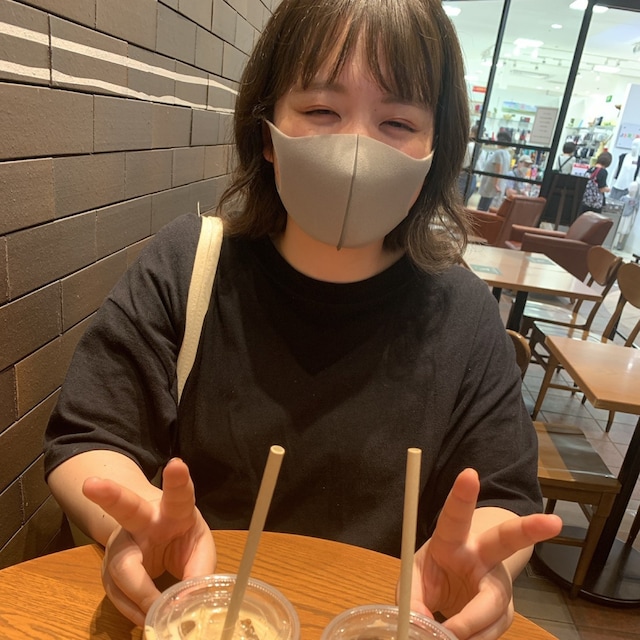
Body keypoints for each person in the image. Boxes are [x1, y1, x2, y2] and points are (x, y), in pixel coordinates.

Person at [43, 1, 562, 638]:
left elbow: (502, 496)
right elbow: (90, 434)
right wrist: (137, 517)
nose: (356, 150)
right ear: (267, 133)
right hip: (203, 617)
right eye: (321, 111)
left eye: (398, 122)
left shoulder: (465, 314)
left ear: (435, 151)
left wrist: (481, 562)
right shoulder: (189, 265)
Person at [476, 131, 513, 211]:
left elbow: (498, 169)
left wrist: (495, 184)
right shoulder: (507, 154)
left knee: (482, 207)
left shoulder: (499, 153)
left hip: (491, 186)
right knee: (486, 206)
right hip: (496, 186)